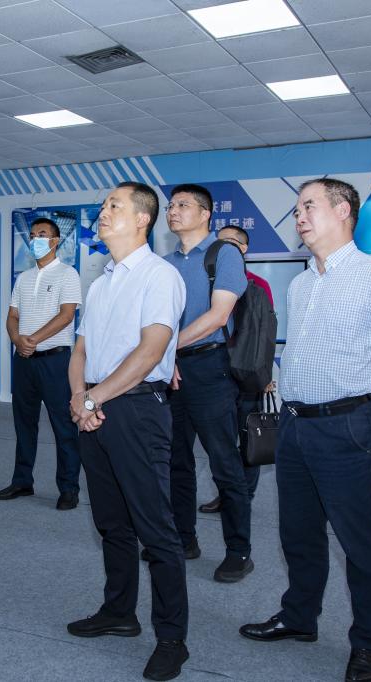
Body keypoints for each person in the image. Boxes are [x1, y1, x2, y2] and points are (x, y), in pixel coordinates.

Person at [239, 178, 371, 682]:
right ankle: (299, 618)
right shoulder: (302, 283)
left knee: (360, 543)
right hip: (295, 426)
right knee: (298, 534)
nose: (298, 216)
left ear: (343, 211)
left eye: (309, 206)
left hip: (348, 426)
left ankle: (369, 645)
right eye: (297, 208)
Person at [65, 182, 190, 681]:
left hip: (137, 409)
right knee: (111, 523)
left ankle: (173, 638)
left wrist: (93, 398)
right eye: (102, 206)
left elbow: (151, 351)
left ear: (142, 218)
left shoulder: (160, 276)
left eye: (113, 206)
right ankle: (119, 611)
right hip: (95, 408)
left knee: (155, 529)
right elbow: (80, 350)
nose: (102, 213)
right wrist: (81, 398)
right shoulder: (100, 283)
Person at [153, 183, 255, 585]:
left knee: (224, 462)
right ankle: (184, 538)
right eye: (170, 205)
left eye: (183, 205)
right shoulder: (163, 264)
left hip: (209, 367)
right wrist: (164, 357)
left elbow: (218, 315)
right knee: (175, 460)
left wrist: (166, 349)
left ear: (205, 213)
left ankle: (238, 551)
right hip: (170, 370)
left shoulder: (223, 253)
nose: (173, 211)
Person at [0, 217, 83, 510]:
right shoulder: (23, 278)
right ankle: (22, 481)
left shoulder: (68, 274)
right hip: (24, 361)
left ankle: (69, 488)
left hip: (54, 361)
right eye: (32, 235)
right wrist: (17, 340)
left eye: (42, 234)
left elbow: (67, 315)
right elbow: (12, 316)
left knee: (63, 425)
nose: (36, 239)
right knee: (24, 423)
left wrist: (32, 339)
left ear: (55, 241)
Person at [199, 224, 275, 515]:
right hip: (214, 372)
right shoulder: (206, 281)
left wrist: (265, 376)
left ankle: (243, 496)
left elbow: (265, 334)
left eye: (230, 243)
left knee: (249, 438)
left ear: (243, 249)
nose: (222, 248)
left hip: (246, 374)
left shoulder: (258, 284)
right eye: (217, 243)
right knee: (219, 442)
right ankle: (227, 493)